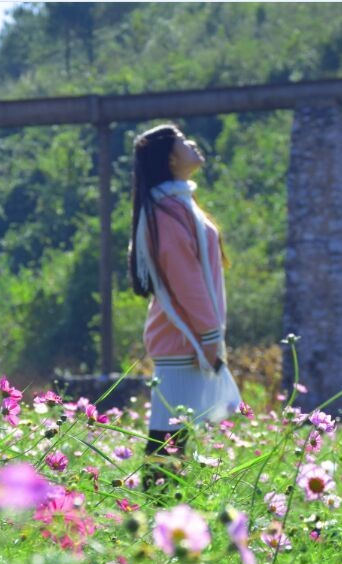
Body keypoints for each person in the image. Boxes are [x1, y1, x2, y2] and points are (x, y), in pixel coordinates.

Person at [127, 123, 240, 481]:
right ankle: (154, 514)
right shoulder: (167, 212)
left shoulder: (176, 205)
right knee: (168, 436)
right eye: (183, 142)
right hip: (182, 337)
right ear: (171, 158)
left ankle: (161, 513)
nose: (193, 145)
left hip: (187, 336)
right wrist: (208, 337)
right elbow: (185, 281)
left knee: (174, 436)